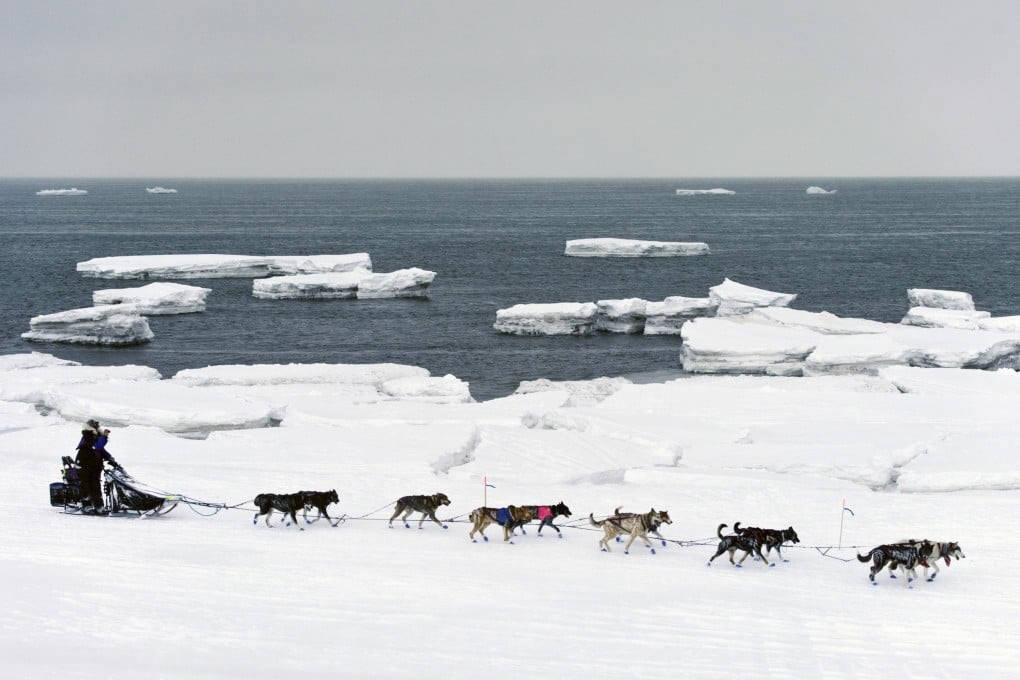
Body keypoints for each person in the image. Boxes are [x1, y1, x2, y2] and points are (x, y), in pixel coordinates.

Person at [74, 420, 120, 514]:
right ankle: (86, 506)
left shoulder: (96, 437)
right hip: (84, 464)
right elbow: (97, 446)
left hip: (95, 466)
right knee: (86, 485)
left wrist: (110, 458)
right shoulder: (87, 435)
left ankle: (99, 506)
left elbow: (101, 450)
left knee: (95, 486)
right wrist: (104, 436)